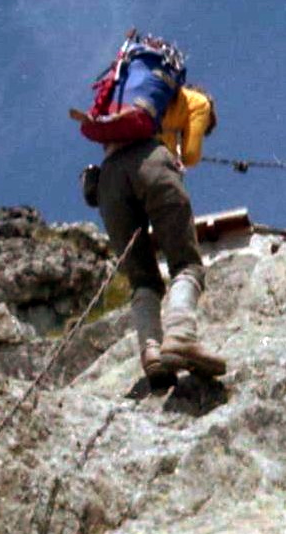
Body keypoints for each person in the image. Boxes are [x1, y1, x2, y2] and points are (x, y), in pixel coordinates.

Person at [92, 83, 226, 382]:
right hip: (152, 162)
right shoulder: (198, 102)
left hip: (108, 179)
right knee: (186, 262)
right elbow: (190, 153)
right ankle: (181, 335)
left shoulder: (132, 95)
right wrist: (180, 151)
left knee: (142, 278)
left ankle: (151, 352)